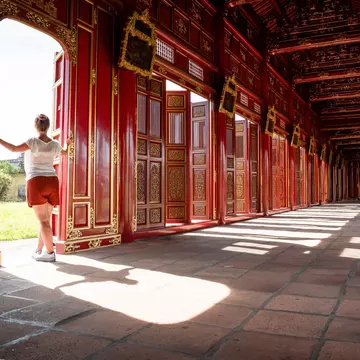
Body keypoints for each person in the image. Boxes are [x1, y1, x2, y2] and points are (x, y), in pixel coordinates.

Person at [0, 114, 71, 262]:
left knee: (43, 221)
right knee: (45, 220)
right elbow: (64, 152)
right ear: (48, 126)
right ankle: (39, 249)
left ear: (36, 126)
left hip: (36, 182)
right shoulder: (55, 144)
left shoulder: (33, 142)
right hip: (52, 181)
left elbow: (13, 149)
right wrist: (67, 143)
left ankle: (50, 253)